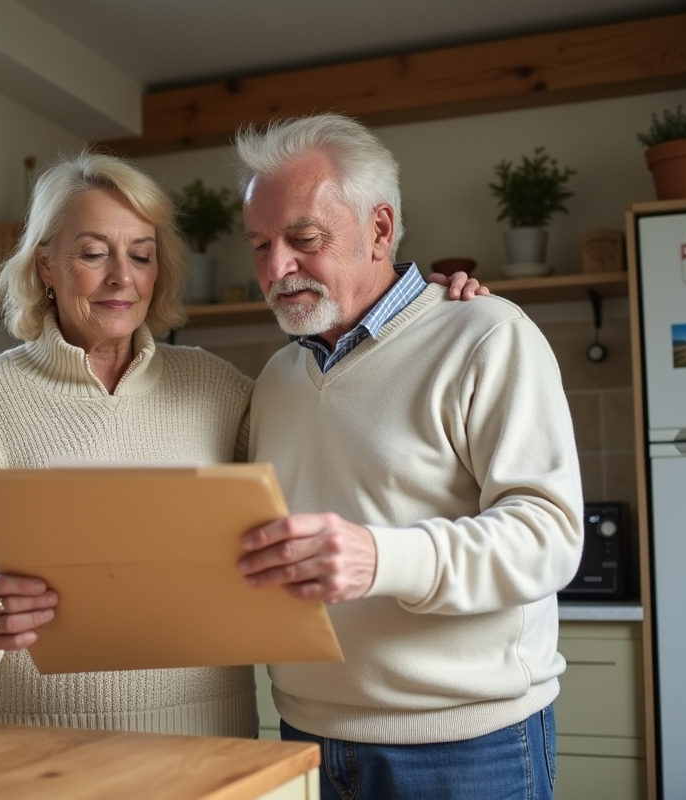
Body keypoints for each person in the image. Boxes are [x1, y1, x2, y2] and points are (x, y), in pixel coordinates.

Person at [0, 149, 484, 737]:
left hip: (205, 738)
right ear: (45, 264)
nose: (120, 278)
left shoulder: (219, 388)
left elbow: (334, 445)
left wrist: (426, 310)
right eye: (92, 253)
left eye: (140, 255)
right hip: (26, 739)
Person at [234, 113, 583, 798]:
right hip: (306, 734)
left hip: (467, 744)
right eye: (259, 245)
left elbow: (551, 536)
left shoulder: (486, 335)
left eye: (304, 239)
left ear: (381, 230)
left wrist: (380, 558)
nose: (277, 269)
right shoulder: (275, 378)